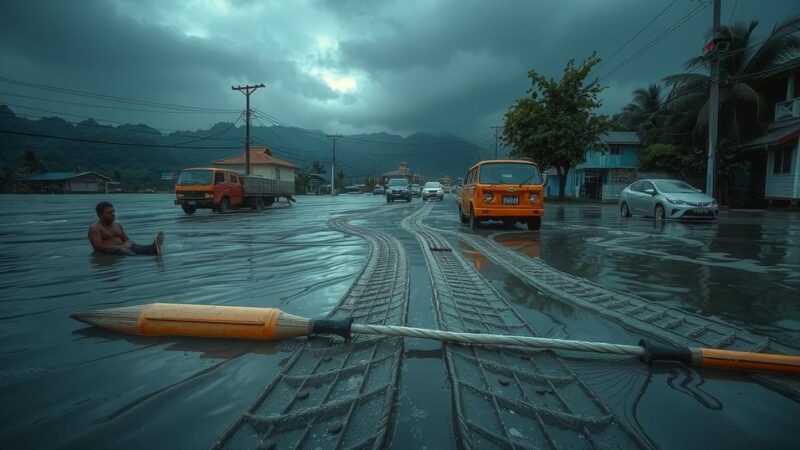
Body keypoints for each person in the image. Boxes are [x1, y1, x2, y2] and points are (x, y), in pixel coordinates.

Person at [88, 201, 163, 256]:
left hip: (124, 247)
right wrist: (120, 247)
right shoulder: (95, 228)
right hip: (111, 251)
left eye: (113, 212)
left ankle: (152, 248)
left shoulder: (117, 225)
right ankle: (149, 253)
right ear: (100, 215)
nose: (113, 214)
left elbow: (126, 239)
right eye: (109, 213)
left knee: (135, 246)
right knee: (130, 254)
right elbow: (98, 247)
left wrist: (128, 243)